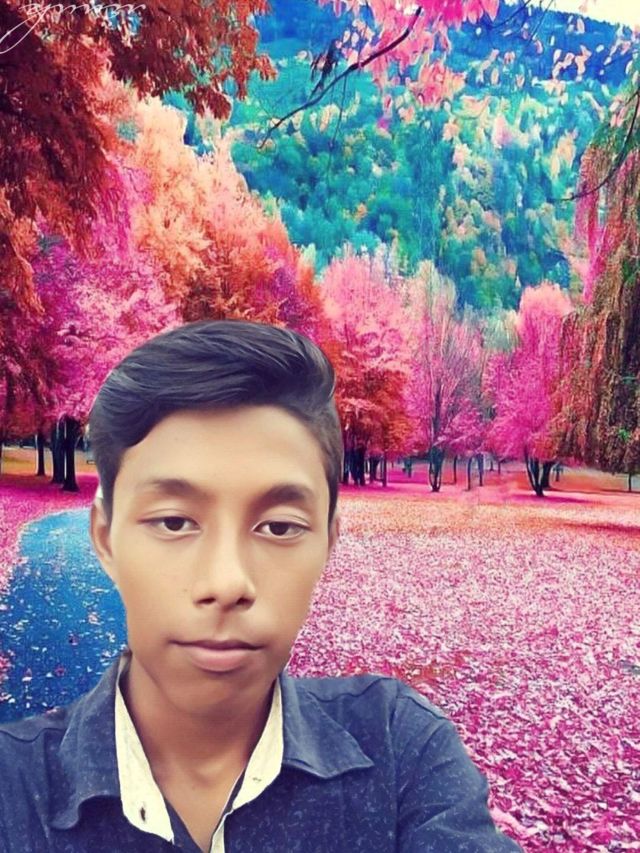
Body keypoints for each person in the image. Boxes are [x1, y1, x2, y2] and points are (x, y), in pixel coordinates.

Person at [0, 320, 522, 852]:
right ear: (105, 538)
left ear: (328, 541)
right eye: (174, 522)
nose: (227, 583)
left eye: (278, 527)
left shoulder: (399, 750)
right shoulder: (12, 789)